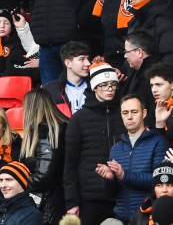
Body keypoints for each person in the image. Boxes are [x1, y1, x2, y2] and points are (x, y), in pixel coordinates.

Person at [64, 62, 122, 225]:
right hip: (90, 197)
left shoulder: (124, 113)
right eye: (104, 85)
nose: (109, 89)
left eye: (113, 85)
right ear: (95, 87)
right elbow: (70, 164)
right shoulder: (79, 119)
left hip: (122, 193)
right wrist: (72, 201)